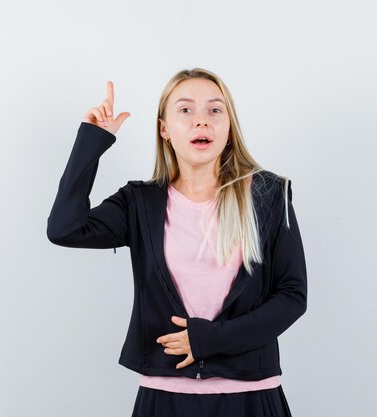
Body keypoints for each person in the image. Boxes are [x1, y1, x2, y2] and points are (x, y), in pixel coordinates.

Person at [47, 68, 307, 417]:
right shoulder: (139, 203)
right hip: (164, 398)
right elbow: (64, 228)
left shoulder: (268, 195)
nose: (202, 121)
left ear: (229, 126)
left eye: (215, 110)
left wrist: (209, 340)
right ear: (164, 129)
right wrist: (92, 140)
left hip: (251, 398)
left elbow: (291, 297)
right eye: (185, 110)